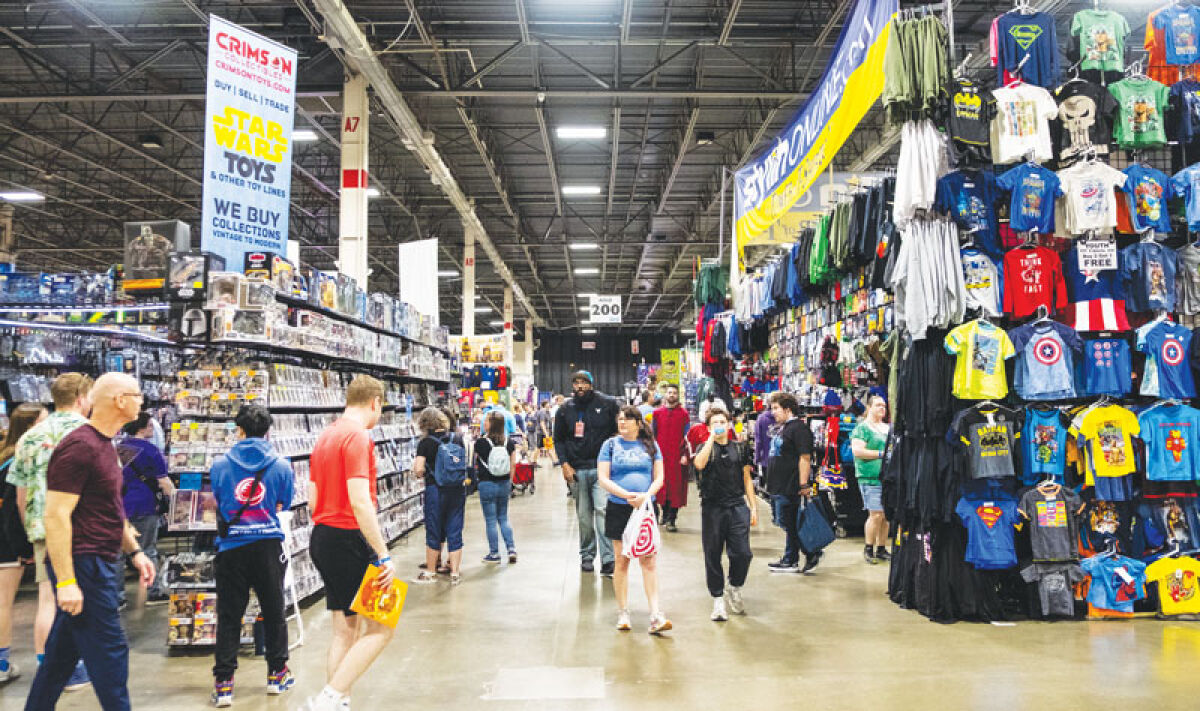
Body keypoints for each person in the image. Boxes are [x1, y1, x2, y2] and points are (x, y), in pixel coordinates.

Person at [24, 373, 155, 711]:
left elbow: (110, 508)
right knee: (111, 651)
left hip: (101, 558)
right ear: (120, 400)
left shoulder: (104, 445)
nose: (143, 402)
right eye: (138, 395)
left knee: (61, 656)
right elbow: (56, 516)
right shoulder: (79, 447)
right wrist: (66, 581)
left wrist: (135, 551)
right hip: (85, 562)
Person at [303, 375, 396, 711]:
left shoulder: (325, 435)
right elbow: (360, 500)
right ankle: (328, 699)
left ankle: (339, 699)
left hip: (323, 537)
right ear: (375, 402)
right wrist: (383, 553)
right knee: (383, 627)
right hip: (350, 539)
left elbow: (312, 501)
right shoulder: (358, 438)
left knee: (345, 631)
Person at [9, 373, 93, 692]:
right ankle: (72, 668)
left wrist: (32, 529)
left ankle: (49, 667)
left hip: (42, 527)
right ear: (82, 398)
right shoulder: (88, 432)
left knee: (49, 598)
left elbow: (20, 492)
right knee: (84, 596)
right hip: (82, 527)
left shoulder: (30, 437)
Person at [209, 404, 295, 707]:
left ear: (239, 430)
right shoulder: (282, 465)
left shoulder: (219, 465)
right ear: (268, 431)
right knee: (274, 611)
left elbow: (219, 501)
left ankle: (224, 684)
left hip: (231, 548)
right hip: (268, 546)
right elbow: (285, 502)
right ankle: (276, 674)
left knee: (230, 616)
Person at [598, 406, 671, 635]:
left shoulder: (651, 445)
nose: (623, 423)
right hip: (619, 508)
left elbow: (659, 477)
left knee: (648, 561)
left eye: (628, 419)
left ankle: (655, 614)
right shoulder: (609, 445)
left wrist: (646, 496)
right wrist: (625, 495)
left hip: (646, 509)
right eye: (620, 419)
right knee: (622, 560)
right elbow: (603, 478)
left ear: (638, 423)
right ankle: (623, 612)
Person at [553, 370, 621, 576]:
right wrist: (564, 464)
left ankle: (608, 559)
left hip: (601, 469)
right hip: (577, 470)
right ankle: (587, 556)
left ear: (591, 384)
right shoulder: (565, 410)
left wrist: (613, 459)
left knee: (602, 512)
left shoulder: (608, 404)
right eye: (576, 383)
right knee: (583, 517)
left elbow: (618, 431)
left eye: (584, 382)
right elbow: (559, 439)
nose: (580, 386)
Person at [692, 408, 757, 621]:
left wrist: (753, 507)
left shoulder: (740, 448)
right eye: (715, 422)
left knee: (742, 553)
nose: (720, 424)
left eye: (723, 421)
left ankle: (735, 586)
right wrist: (711, 437)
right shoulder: (705, 448)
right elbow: (699, 464)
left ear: (729, 424)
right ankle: (718, 599)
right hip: (712, 508)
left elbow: (747, 478)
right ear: (709, 427)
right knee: (712, 554)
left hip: (737, 506)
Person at [0, 403, 45, 684]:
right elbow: (18, 505)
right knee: (4, 602)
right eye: (43, 421)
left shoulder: (5, 455)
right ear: (29, 427)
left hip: (7, 537)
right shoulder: (21, 458)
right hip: (8, 539)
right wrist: (25, 546)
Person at [116, 412, 175, 606]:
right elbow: (163, 481)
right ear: (141, 427)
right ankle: (154, 592)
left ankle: (116, 597)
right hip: (145, 504)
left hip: (119, 506)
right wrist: (176, 500)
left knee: (117, 554)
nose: (152, 429)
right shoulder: (151, 450)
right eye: (150, 426)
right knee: (148, 548)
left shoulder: (116, 448)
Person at [413, 407, 468, 584]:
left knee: (434, 529)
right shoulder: (457, 438)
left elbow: (419, 469)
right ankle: (455, 572)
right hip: (457, 490)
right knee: (454, 528)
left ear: (424, 423)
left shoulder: (426, 443)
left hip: (435, 490)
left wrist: (421, 473)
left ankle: (430, 571)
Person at [764, 393, 817, 574]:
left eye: (776, 408)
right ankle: (800, 555)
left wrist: (803, 484)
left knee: (789, 522)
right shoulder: (784, 428)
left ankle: (801, 555)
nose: (773, 413)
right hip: (779, 485)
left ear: (788, 409)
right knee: (787, 521)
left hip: (791, 485)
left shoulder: (799, 429)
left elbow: (805, 457)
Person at [473, 411, 518, 564]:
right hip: (504, 483)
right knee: (503, 518)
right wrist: (509, 482)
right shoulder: (509, 443)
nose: (483, 424)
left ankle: (494, 553)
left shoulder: (480, 443)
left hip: (487, 484)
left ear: (492, 424)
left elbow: (475, 462)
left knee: (491, 520)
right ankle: (511, 548)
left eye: (486, 421)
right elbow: (513, 464)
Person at [851, 395, 891, 564]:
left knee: (886, 516)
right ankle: (869, 547)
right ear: (869, 407)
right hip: (870, 478)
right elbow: (858, 451)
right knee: (875, 514)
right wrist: (881, 454)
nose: (882, 408)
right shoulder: (862, 428)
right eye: (878, 405)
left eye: (884, 405)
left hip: (888, 477)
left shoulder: (888, 428)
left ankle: (881, 548)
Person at [651, 384, 691, 532]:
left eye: (674, 392)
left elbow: (688, 437)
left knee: (676, 488)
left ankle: (672, 519)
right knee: (661, 486)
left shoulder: (684, 414)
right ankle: (664, 513)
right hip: (661, 457)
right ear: (665, 395)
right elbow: (653, 435)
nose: (672, 395)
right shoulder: (657, 413)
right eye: (669, 392)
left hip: (677, 457)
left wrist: (685, 455)